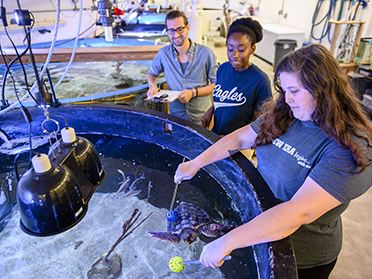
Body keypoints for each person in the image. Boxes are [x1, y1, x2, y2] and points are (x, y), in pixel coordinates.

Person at [174, 44, 372, 279]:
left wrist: (228, 241)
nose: (287, 99)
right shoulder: (285, 114)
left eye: (295, 91)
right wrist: (196, 162)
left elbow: (298, 213)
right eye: (284, 90)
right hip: (258, 230)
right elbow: (239, 137)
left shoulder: (350, 146)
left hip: (303, 256)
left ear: (323, 89)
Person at [201, 17, 272, 136]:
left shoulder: (260, 80)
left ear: (252, 49)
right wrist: (211, 110)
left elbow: (261, 123)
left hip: (241, 144)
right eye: (230, 49)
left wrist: (230, 139)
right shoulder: (222, 69)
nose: (235, 55)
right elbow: (226, 98)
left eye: (241, 49)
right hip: (217, 136)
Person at [147, 10, 218, 125]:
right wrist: (153, 86)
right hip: (177, 116)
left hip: (202, 117)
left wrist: (194, 93)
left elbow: (217, 85)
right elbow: (151, 73)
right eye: (171, 30)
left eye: (180, 29)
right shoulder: (163, 54)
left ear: (188, 28)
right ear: (167, 32)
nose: (176, 35)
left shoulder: (206, 53)